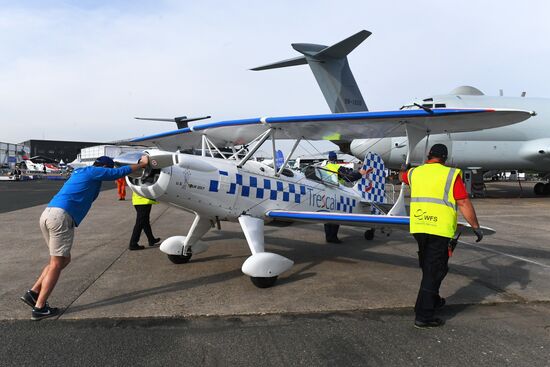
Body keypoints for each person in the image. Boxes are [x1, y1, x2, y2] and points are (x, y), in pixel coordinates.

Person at [20, 155, 149, 320]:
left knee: (60, 261)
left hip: (48, 214)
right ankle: (40, 308)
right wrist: (142, 164)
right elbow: (118, 173)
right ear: (103, 167)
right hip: (60, 216)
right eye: (107, 169)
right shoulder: (93, 171)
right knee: (57, 263)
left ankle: (33, 293)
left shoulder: (81, 173)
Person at [400, 144, 483, 329]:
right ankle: (424, 316)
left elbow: (401, 177)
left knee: (429, 267)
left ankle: (431, 301)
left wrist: (403, 169)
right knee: (435, 271)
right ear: (445, 158)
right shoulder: (451, 175)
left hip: (419, 227)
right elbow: (462, 202)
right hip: (439, 229)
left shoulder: (415, 173)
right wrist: (476, 227)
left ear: (428, 155)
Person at [323, 151, 366, 243]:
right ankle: (333, 237)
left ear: (328, 159)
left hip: (325, 194)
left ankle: (328, 237)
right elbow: (350, 177)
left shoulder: (324, 167)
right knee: (336, 216)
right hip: (336, 194)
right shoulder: (337, 167)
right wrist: (360, 173)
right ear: (336, 158)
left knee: (327, 216)